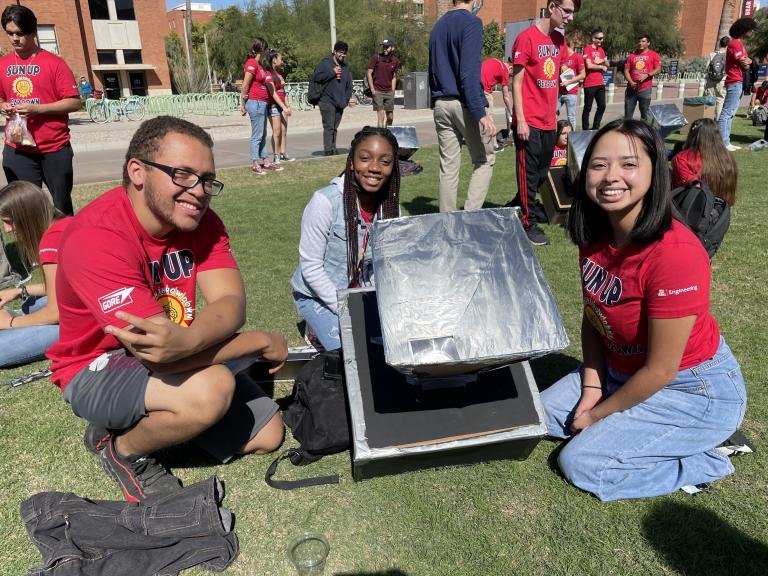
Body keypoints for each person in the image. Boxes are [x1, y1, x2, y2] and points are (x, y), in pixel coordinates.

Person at [47, 116, 288, 502]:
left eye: (207, 179)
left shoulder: (201, 222)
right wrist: (258, 342)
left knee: (268, 434)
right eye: (183, 174)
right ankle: (123, 451)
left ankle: (147, 423)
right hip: (95, 366)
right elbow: (162, 358)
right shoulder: (97, 235)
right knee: (212, 390)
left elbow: (230, 302)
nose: (199, 191)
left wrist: (187, 339)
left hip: (179, 353)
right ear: (138, 172)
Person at [540, 119, 747, 501]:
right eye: (599, 164)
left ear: (656, 172)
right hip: (621, 372)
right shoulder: (597, 233)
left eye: (628, 164)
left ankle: (709, 456)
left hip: (693, 390)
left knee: (583, 463)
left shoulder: (676, 254)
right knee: (540, 416)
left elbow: (662, 369)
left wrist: (598, 415)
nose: (610, 176)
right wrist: (592, 388)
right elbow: (593, 319)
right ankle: (639, 427)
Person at [291, 127, 400, 351]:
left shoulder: (390, 208)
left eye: (385, 161)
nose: (374, 168)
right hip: (318, 297)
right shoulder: (324, 202)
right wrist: (344, 309)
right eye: (365, 158)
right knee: (353, 353)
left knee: (390, 345)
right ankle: (315, 329)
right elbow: (311, 267)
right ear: (351, 162)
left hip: (362, 295)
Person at [0, 5, 81, 216]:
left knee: (61, 208)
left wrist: (39, 109)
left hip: (53, 148)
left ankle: (63, 247)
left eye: (20, 33)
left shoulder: (55, 64)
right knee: (25, 209)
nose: (14, 39)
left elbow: (74, 102)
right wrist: (3, 105)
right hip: (18, 149)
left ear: (33, 31)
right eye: (9, 33)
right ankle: (33, 248)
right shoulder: (3, 64)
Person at [509, 0, 577, 246]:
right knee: (528, 174)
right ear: (551, 7)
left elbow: (562, 75)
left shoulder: (559, 41)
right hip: (529, 121)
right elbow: (516, 82)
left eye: (572, 12)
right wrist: (521, 120)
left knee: (541, 173)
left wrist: (579, 76)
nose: (570, 17)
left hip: (550, 121)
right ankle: (527, 223)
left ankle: (517, 206)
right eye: (566, 11)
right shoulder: (526, 38)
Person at [428, 0, 496, 213]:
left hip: (441, 103)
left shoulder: (438, 26)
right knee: (484, 160)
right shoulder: (472, 23)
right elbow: (468, 72)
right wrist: (481, 112)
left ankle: (447, 222)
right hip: (463, 103)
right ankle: (469, 218)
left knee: (448, 168)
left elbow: (433, 69)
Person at [0, 181, 70, 367]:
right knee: (31, 305)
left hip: (90, 324)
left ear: (27, 215)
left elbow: (55, 313)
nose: (7, 230)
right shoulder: (65, 224)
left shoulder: (50, 244)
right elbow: (64, 285)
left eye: (8, 222)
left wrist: (11, 323)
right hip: (88, 306)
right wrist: (19, 290)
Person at [670, 118, 737, 207]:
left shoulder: (682, 158)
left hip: (692, 210)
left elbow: (692, 190)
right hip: (722, 212)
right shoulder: (728, 158)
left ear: (692, 135)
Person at [241, 37, 283, 175]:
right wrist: (243, 104)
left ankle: (265, 161)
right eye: (263, 48)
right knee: (257, 135)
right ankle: (255, 163)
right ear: (258, 50)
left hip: (262, 103)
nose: (265, 50)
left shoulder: (259, 65)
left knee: (263, 134)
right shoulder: (252, 63)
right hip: (255, 102)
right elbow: (245, 85)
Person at [719, 18, 758, 151]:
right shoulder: (735, 43)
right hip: (734, 81)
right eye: (750, 29)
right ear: (743, 29)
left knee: (731, 113)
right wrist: (748, 61)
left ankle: (726, 141)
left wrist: (749, 61)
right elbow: (746, 64)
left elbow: (748, 61)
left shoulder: (739, 44)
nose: (751, 32)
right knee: (727, 113)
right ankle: (723, 143)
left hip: (739, 81)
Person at [314, 41, 353, 156]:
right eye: (340, 52)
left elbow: (349, 85)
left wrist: (346, 100)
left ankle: (333, 147)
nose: (343, 55)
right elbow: (317, 77)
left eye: (344, 53)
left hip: (340, 103)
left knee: (335, 127)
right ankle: (328, 151)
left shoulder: (345, 67)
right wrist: (332, 72)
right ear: (334, 52)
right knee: (329, 126)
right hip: (326, 101)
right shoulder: (325, 63)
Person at [263, 49, 294, 165]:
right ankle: (276, 156)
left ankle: (283, 153)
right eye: (280, 58)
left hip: (282, 106)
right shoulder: (268, 74)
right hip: (273, 106)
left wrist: (288, 106)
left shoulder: (279, 75)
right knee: (276, 131)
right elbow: (273, 93)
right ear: (274, 60)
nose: (282, 60)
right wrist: (283, 107)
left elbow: (283, 91)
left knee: (284, 130)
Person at [623, 35, 661, 122]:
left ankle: (643, 133)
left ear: (648, 43)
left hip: (645, 89)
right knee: (628, 115)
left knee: (644, 115)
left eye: (643, 41)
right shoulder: (632, 56)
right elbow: (626, 71)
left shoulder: (653, 55)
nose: (640, 43)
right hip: (631, 88)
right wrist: (631, 82)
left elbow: (658, 69)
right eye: (639, 41)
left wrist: (647, 75)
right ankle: (628, 132)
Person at [367, 39, 400, 128]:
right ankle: (381, 137)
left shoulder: (395, 61)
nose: (384, 49)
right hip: (378, 91)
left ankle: (387, 133)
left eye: (387, 47)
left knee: (390, 117)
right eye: (383, 47)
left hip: (389, 92)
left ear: (392, 48)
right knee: (381, 117)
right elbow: (369, 73)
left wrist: (393, 91)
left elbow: (394, 76)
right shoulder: (376, 57)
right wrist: (372, 89)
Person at [480, 56, 515, 140]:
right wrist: (511, 112)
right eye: (511, 75)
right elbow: (506, 96)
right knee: (490, 118)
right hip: (484, 90)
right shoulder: (505, 71)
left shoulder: (495, 60)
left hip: (474, 86)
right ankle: (494, 145)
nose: (509, 77)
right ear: (511, 68)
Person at [582, 29, 608, 131]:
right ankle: (585, 129)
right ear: (594, 39)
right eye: (600, 38)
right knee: (587, 108)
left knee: (602, 106)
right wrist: (601, 66)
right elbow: (589, 65)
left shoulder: (601, 50)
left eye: (602, 38)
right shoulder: (587, 49)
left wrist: (602, 61)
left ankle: (595, 128)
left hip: (600, 83)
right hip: (589, 84)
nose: (601, 40)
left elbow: (607, 64)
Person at [558, 38, 585, 131]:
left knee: (571, 116)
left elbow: (583, 74)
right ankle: (554, 136)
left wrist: (569, 82)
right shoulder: (559, 57)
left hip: (571, 92)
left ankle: (571, 137)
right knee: (553, 114)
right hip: (559, 92)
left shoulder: (577, 57)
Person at [705, 36, 729, 121]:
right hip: (722, 81)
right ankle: (718, 120)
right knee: (720, 100)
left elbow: (706, 68)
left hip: (710, 80)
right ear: (727, 45)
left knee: (709, 100)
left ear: (720, 44)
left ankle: (708, 120)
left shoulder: (712, 54)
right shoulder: (728, 56)